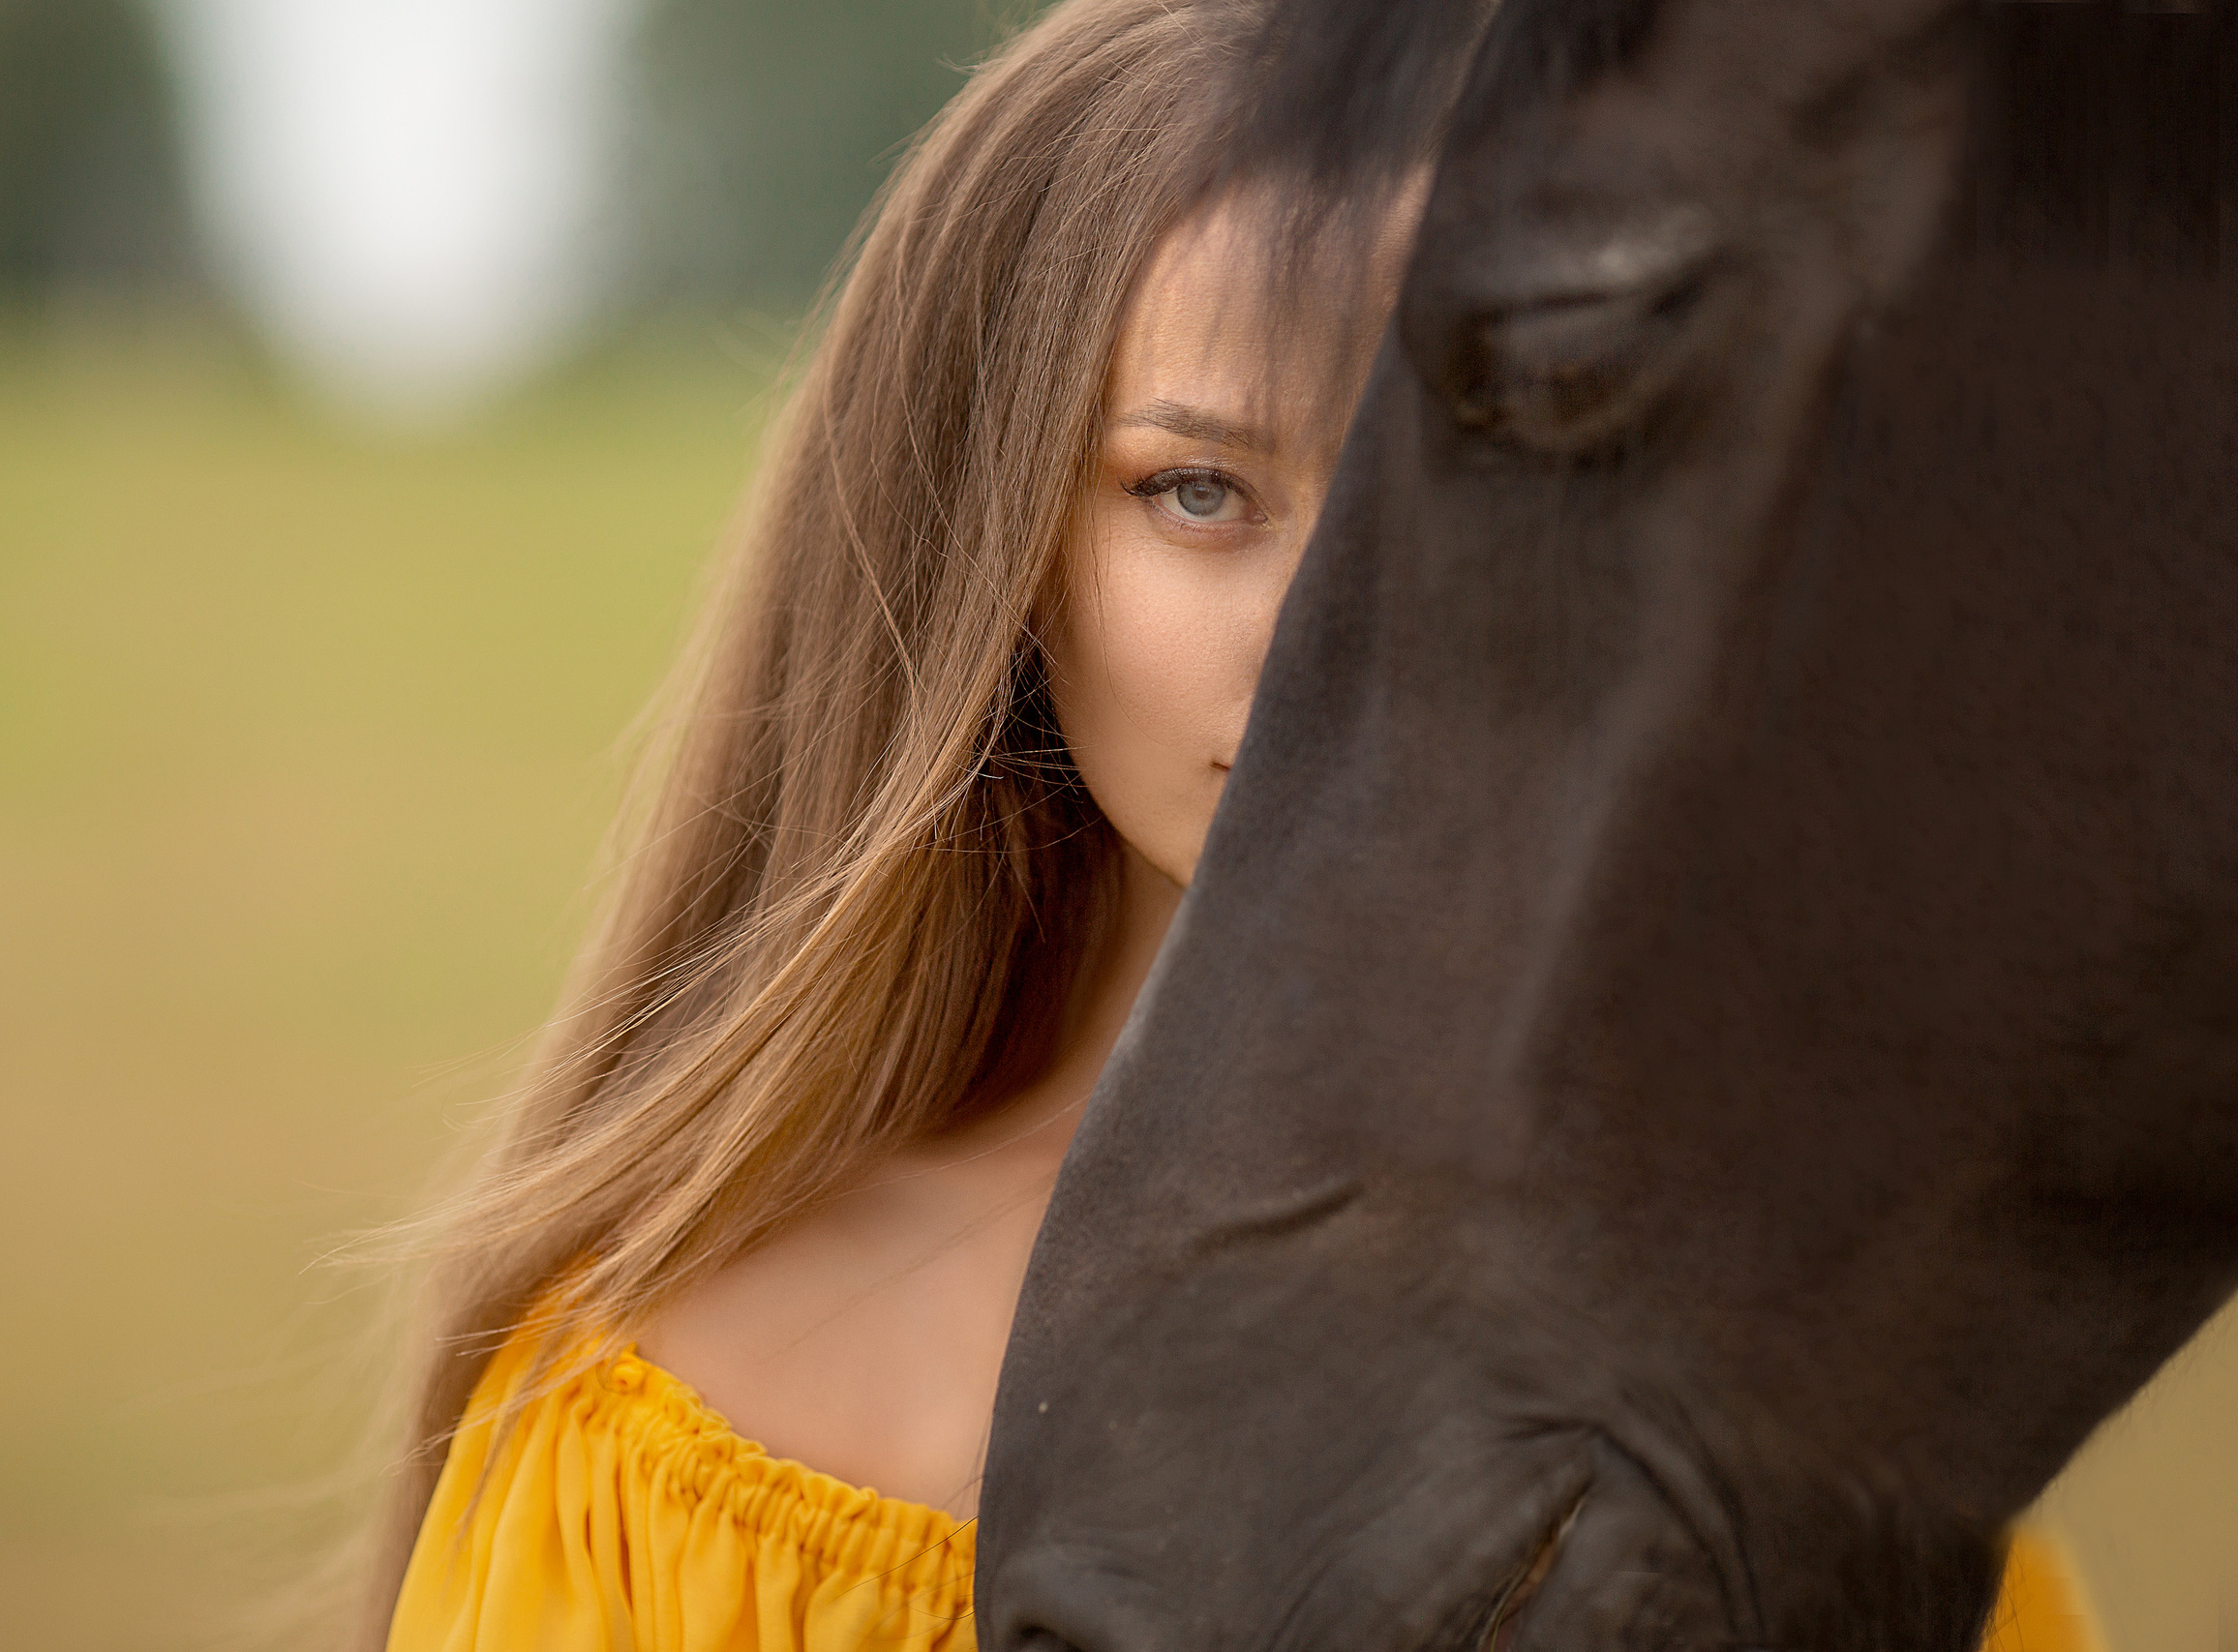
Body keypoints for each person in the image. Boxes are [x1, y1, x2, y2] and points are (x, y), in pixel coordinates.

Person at [367, 1, 2106, 1647]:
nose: (1333, 636)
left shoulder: (1814, 1413)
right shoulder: (666, 1419)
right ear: (1000, 550)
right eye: (1199, 491)